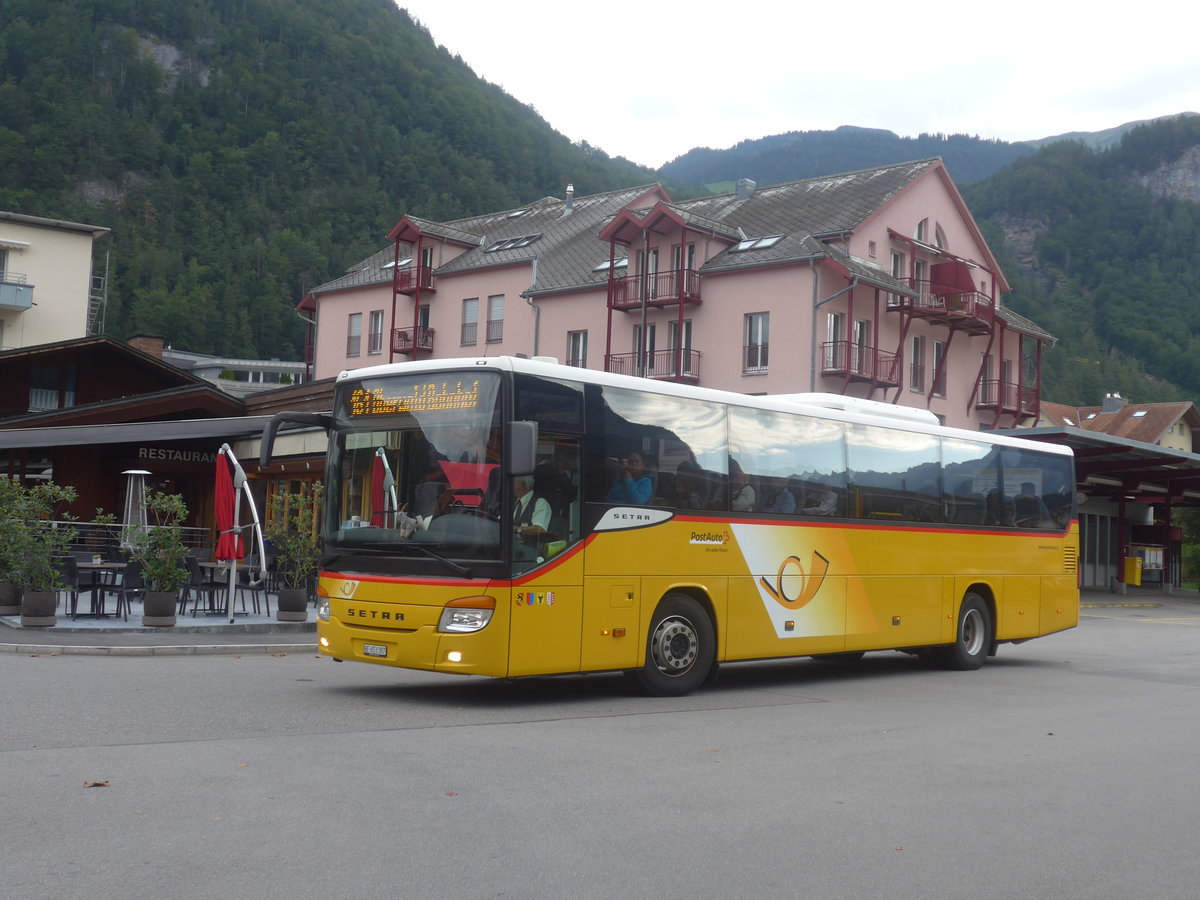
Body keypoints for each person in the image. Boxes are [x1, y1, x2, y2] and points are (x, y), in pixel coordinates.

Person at [512, 475, 551, 547]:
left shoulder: (540, 502)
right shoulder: (513, 502)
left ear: (522, 484)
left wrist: (517, 529)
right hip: (513, 548)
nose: (510, 484)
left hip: (532, 550)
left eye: (513, 481)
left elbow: (540, 529)